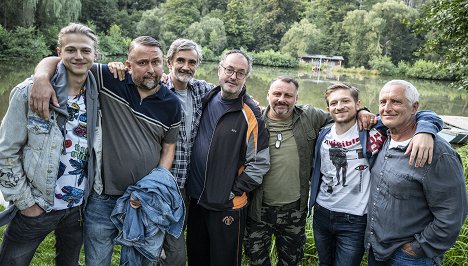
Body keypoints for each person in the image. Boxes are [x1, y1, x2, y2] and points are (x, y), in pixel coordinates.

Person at [29, 36, 182, 266]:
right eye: (142, 63)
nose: (150, 69)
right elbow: (62, 61)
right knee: (97, 260)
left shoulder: (171, 103)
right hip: (102, 199)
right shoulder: (108, 79)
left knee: (140, 261)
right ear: (128, 65)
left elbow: (169, 148)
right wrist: (41, 78)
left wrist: (152, 190)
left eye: (156, 62)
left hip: (141, 201)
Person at [107, 38, 215, 265]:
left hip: (183, 183)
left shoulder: (201, 90)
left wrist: (251, 100)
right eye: (181, 60)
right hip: (154, 180)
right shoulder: (154, 87)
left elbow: (229, 90)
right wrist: (114, 66)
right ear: (169, 62)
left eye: (192, 62)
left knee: (173, 240)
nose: (186, 66)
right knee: (149, 238)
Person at [309, 83, 442, 266]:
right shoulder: (324, 133)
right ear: (328, 108)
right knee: (324, 262)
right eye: (334, 103)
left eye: (345, 101)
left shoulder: (374, 128)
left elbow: (420, 114)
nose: (339, 106)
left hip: (355, 219)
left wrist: (425, 130)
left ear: (358, 104)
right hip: (322, 213)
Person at [0, 23, 100, 265]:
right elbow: (5, 152)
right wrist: (26, 203)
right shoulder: (29, 92)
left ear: (95, 55)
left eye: (86, 51)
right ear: (59, 53)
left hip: (76, 208)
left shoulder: (100, 93)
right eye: (71, 50)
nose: (79, 56)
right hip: (37, 205)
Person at [365, 80, 468, 265]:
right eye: (382, 102)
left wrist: (417, 249)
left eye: (396, 102)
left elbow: (452, 214)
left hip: (409, 258)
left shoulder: (437, 153)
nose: (387, 108)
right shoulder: (382, 136)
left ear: (414, 108)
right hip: (378, 250)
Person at [186, 49, 270, 266]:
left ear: (246, 78)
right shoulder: (208, 97)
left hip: (226, 205)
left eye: (240, 73)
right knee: (197, 258)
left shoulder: (250, 112)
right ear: (219, 70)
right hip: (196, 201)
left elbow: (259, 162)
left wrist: (232, 191)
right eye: (229, 70)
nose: (233, 76)